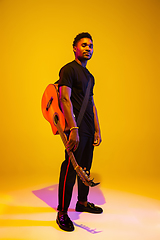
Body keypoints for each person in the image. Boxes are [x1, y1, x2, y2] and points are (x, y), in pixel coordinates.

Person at [56, 32, 102, 232]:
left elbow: (91, 103)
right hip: (75, 127)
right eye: (84, 45)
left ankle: (82, 202)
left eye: (90, 46)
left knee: (85, 166)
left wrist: (97, 129)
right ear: (75, 48)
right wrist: (72, 128)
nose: (88, 48)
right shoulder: (68, 70)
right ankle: (62, 212)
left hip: (88, 128)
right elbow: (64, 98)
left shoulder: (90, 77)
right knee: (70, 168)